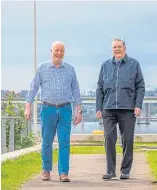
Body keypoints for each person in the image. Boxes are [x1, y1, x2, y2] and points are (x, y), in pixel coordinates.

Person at [25, 41, 82, 182]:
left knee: (64, 142)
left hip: (65, 109)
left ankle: (64, 173)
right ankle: (46, 171)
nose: (59, 53)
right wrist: (28, 106)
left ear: (64, 52)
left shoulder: (70, 69)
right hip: (47, 109)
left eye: (61, 51)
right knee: (46, 141)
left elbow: (76, 91)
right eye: (56, 50)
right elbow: (33, 88)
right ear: (51, 51)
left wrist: (79, 111)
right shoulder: (42, 68)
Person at [96, 38, 145, 180]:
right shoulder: (105, 66)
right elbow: (99, 88)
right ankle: (110, 171)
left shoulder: (134, 64)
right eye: (114, 47)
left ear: (124, 48)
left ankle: (125, 170)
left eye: (119, 47)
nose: (116, 49)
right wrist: (99, 107)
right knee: (109, 139)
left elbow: (140, 86)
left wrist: (138, 105)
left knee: (128, 140)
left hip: (128, 108)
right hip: (108, 108)